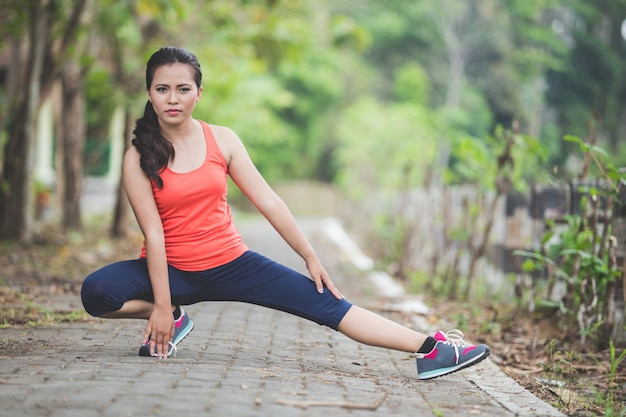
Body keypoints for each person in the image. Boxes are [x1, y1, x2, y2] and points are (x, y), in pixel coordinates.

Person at [80, 46, 490, 380]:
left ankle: (434, 348)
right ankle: (177, 316)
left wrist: (310, 257)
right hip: (172, 271)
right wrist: (163, 307)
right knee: (96, 293)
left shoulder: (222, 140)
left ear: (198, 93)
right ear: (149, 93)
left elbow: (270, 202)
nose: (173, 99)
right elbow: (153, 234)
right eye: (162, 89)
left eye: (183, 89)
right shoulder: (138, 157)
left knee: (329, 304)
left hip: (233, 264)